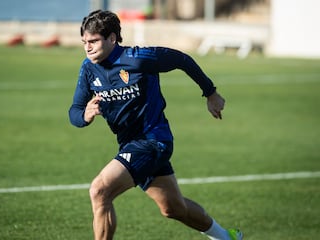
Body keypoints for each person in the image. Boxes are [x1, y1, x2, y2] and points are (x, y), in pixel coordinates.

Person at [69, 10, 243, 240]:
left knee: (100, 190)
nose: (88, 47)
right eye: (84, 42)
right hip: (130, 145)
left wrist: (210, 93)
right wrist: (85, 116)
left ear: (112, 38)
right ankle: (226, 237)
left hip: (154, 140)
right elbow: (75, 111)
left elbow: (182, 60)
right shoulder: (89, 68)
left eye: (93, 41)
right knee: (173, 208)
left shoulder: (140, 58)